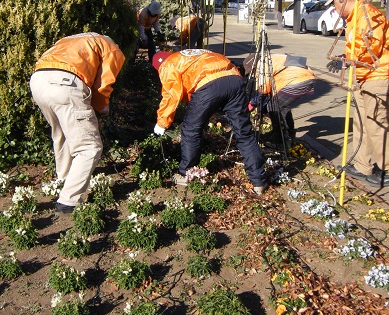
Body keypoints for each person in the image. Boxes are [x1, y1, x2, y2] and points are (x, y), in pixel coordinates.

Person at [30, 33, 126, 213]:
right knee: (90, 146)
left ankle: (64, 178)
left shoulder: (70, 40)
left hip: (38, 81)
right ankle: (69, 201)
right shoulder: (111, 47)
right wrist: (102, 105)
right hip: (65, 84)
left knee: (63, 135)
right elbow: (104, 83)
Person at [152, 49, 268, 194]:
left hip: (208, 84)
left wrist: (162, 123)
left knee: (190, 130)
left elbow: (171, 95)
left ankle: (186, 174)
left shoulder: (167, 64)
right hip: (234, 79)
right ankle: (259, 181)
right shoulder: (190, 54)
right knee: (243, 132)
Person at [326, 0, 389, 187]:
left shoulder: (369, 15)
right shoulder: (354, 18)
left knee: (376, 123)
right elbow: (357, 45)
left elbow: (372, 48)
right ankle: (363, 165)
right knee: (361, 121)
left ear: (343, 0)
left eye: (334, 5)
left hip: (380, 75)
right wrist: (345, 56)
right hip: (363, 75)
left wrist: (347, 57)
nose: (335, 10)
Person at [243, 53, 316, 143]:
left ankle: (280, 138)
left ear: (254, 67)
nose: (253, 75)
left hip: (296, 80)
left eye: (252, 72)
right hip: (307, 77)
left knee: (273, 107)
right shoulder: (273, 57)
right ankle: (289, 134)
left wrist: (252, 104)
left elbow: (263, 89)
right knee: (281, 106)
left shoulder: (262, 64)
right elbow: (269, 92)